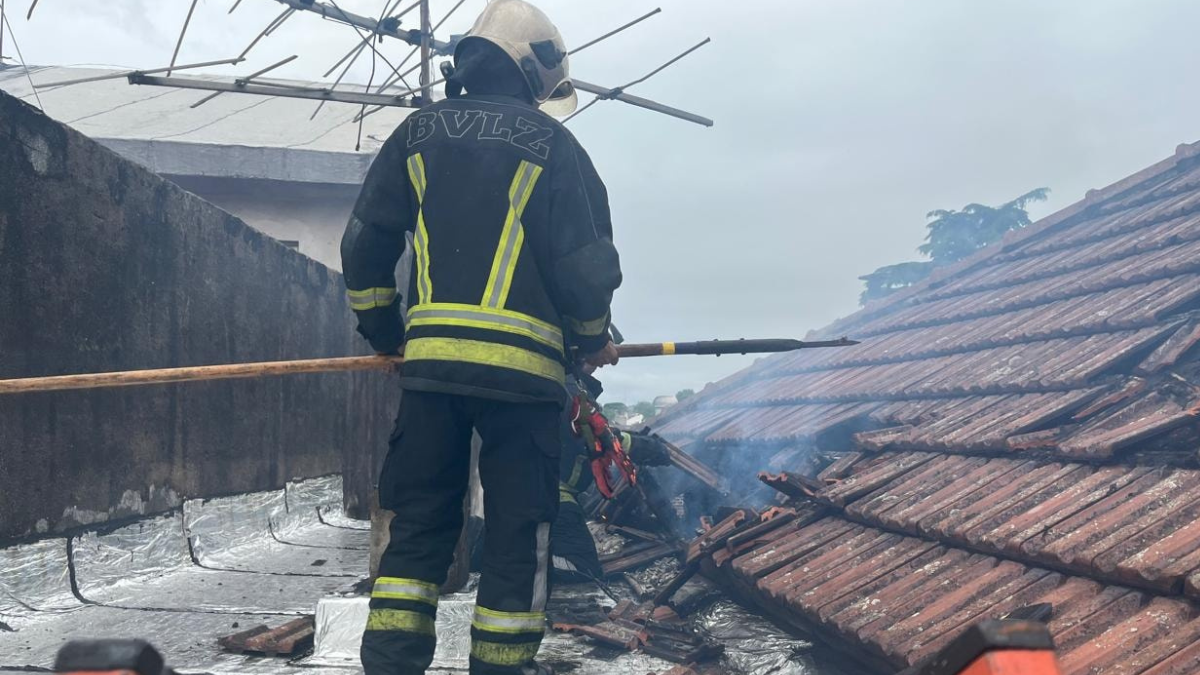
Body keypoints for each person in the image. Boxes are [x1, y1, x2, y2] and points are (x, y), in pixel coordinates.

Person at [339, 1, 621, 673]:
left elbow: (363, 248)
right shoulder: (557, 147)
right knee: (515, 539)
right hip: (523, 388)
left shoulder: (416, 134)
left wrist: (389, 334)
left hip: (431, 377)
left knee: (417, 534)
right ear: (532, 71)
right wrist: (589, 341)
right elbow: (585, 271)